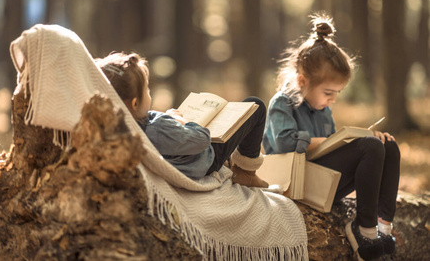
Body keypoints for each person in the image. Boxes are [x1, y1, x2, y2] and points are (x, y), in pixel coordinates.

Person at [263, 15, 400, 260]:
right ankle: (363, 228)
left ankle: (383, 224)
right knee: (369, 146)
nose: (333, 100)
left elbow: (332, 148)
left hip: (323, 179)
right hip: (297, 182)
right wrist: (351, 143)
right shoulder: (282, 103)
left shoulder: (324, 109)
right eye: (328, 93)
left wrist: (361, 139)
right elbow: (284, 142)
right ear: (303, 81)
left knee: (385, 145)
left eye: (337, 93)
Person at [96, 52, 269, 188]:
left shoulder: (116, 131)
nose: (150, 93)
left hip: (182, 149)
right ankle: (246, 172)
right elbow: (202, 139)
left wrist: (167, 116)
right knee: (255, 106)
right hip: (207, 158)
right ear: (135, 103)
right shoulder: (158, 129)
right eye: (147, 90)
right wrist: (184, 123)